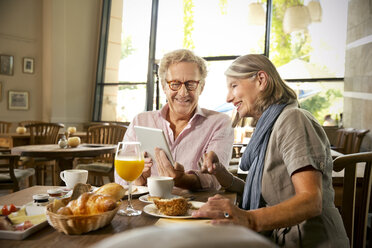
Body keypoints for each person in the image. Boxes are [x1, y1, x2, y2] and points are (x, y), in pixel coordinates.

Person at [189, 54, 349, 247]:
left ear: (261, 80)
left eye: (234, 86)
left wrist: (249, 219)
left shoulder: (293, 119)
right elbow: (263, 193)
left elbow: (311, 201)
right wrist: (221, 173)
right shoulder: (268, 128)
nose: (228, 97)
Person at [115, 49, 234, 191]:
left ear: (201, 87)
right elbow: (121, 180)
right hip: (145, 206)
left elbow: (215, 180)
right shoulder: (140, 121)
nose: (183, 93)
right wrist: (138, 179)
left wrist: (183, 180)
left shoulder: (220, 123)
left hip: (194, 210)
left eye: (190, 84)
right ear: (164, 87)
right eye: (175, 84)